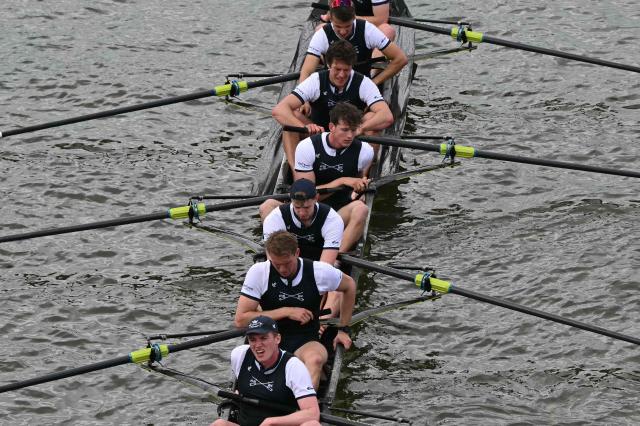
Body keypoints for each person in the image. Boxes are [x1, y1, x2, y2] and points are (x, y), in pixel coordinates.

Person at [234, 231, 355, 389]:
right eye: (277, 265)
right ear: (269, 255)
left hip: (305, 340)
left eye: (287, 263)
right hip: (267, 339)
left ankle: (306, 409)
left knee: (315, 360)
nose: (283, 270)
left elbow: (350, 286)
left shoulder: (319, 271)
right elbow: (240, 320)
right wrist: (287, 311)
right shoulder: (259, 272)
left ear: (297, 253)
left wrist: (343, 329)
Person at [272, 40, 392, 172]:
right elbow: (279, 110)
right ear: (329, 65)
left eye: (346, 70)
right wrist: (304, 127)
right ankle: (297, 173)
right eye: (337, 69)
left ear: (352, 66)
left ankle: (364, 175)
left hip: (350, 136)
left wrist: (360, 129)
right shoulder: (316, 80)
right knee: (291, 119)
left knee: (373, 119)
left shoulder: (363, 83)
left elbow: (386, 116)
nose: (341, 75)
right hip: (318, 134)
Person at [294, 102, 373, 258]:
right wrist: (341, 181)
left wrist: (360, 189)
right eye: (344, 130)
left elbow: (358, 181)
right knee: (268, 206)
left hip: (339, 214)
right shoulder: (307, 147)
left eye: (353, 130)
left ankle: (334, 259)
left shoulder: (365, 151)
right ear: (331, 127)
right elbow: (304, 197)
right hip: (308, 211)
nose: (350, 136)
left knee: (361, 208)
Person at [211, 316, 321, 426]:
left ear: (277, 339)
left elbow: (313, 413)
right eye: (252, 339)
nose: (258, 345)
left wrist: (272, 422)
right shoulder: (239, 355)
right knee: (219, 424)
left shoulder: (293, 366)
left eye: (263, 338)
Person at [303, 0, 407, 84]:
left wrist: (374, 82)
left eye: (347, 26)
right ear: (332, 21)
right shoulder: (323, 33)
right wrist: (303, 99)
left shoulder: (367, 29)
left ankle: (375, 69)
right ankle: (322, 60)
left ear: (354, 19)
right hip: (332, 83)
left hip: (362, 83)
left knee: (387, 30)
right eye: (338, 26)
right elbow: (306, 71)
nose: (343, 32)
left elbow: (401, 59)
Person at [260, 178, 344, 266]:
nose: (302, 213)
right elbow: (275, 262)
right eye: (297, 207)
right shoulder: (275, 217)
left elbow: (325, 267)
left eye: (307, 207)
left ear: (316, 198)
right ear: (291, 200)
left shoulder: (332, 219)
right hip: (288, 257)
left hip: (319, 257)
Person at [321, 0, 396, 42]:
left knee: (387, 30)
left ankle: (373, 69)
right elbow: (335, 9)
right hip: (345, 24)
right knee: (320, 29)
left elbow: (381, 20)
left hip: (370, 27)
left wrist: (352, 18)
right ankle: (327, 64)